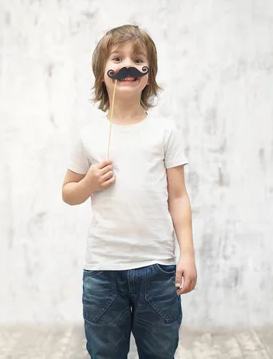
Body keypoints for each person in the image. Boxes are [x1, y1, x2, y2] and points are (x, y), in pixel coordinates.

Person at [62, 24, 197, 358]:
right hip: (103, 272)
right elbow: (68, 192)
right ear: (103, 74)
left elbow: (178, 197)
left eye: (138, 59)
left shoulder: (164, 132)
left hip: (157, 271)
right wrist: (89, 183)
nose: (128, 65)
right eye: (118, 58)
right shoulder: (89, 136)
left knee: (160, 353)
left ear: (148, 74)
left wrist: (188, 255)